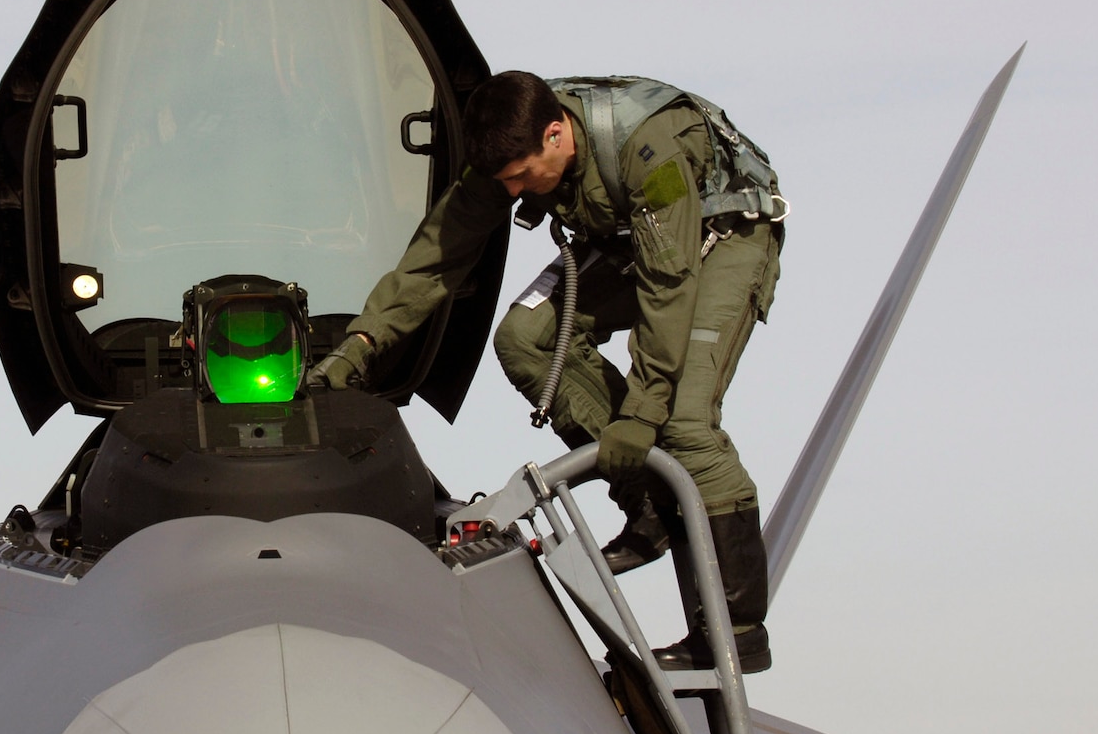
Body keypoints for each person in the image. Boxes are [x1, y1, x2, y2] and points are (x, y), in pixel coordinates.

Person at [307, 71, 784, 672]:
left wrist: (642, 410)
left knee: (684, 422)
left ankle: (736, 632)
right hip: (630, 240)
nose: (511, 192)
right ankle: (650, 502)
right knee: (527, 338)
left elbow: (668, 284)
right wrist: (359, 347)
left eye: (520, 177)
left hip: (722, 235)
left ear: (556, 135)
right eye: (502, 181)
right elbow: (435, 258)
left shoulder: (648, 147)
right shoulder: (507, 150)